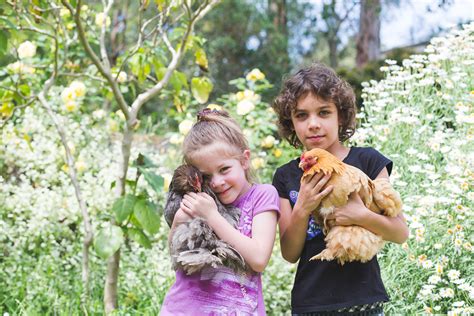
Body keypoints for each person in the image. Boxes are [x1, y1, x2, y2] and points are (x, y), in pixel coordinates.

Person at [272, 63, 409, 315]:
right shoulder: (286, 176)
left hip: (363, 299)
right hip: (310, 303)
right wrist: (302, 208)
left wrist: (360, 215)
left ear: (341, 116)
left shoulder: (368, 161)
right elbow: (289, 253)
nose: (313, 124)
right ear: (290, 122)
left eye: (324, 112)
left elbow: (400, 233)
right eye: (301, 115)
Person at [160, 109, 280, 315]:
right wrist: (179, 221)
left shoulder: (262, 195)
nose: (216, 182)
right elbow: (175, 255)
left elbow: (259, 259)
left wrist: (212, 217)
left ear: (244, 160)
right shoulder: (199, 198)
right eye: (206, 176)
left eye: (224, 169)